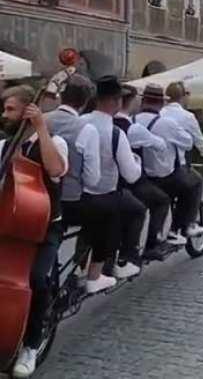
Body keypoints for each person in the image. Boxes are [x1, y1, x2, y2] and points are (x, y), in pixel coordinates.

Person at [0, 85, 68, 379]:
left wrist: (41, 128)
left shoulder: (55, 142)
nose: (4, 114)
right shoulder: (3, 146)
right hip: (8, 225)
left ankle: (31, 344)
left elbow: (55, 170)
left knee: (38, 278)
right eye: (4, 108)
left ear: (29, 110)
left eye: (11, 109)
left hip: (43, 227)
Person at [46, 74, 118, 294]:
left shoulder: (42, 119)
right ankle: (93, 276)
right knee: (107, 215)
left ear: (61, 98)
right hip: (68, 202)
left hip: (39, 197)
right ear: (86, 101)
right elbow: (92, 178)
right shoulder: (86, 129)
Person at [81, 76, 146, 277]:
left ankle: (80, 261)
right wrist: (137, 160)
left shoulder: (79, 122)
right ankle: (126, 259)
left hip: (75, 194)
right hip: (103, 194)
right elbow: (132, 175)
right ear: (116, 102)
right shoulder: (115, 132)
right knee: (137, 209)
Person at [136, 84, 203, 244]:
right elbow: (190, 143)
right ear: (161, 102)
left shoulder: (132, 120)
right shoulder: (168, 122)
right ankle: (181, 227)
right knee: (195, 182)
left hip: (139, 176)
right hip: (164, 175)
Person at [114, 86, 172, 253]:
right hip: (129, 182)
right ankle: (151, 244)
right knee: (161, 200)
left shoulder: (105, 123)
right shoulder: (134, 128)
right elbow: (160, 145)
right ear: (131, 102)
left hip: (106, 182)